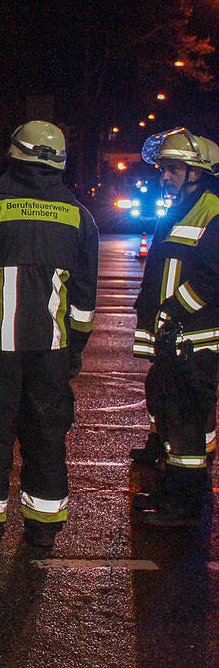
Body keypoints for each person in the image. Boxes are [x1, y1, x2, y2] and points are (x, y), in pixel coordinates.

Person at [0, 120, 98, 549]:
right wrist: (75, 346)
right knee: (46, 432)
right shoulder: (79, 216)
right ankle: (44, 527)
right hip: (52, 349)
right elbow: (84, 298)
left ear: (15, 156)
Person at [129, 128, 219, 528]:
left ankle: (182, 507)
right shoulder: (185, 205)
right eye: (163, 168)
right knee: (170, 416)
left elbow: (212, 278)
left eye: (173, 168)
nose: (164, 176)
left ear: (198, 172)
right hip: (175, 337)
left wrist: (173, 312)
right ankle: (172, 492)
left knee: (185, 425)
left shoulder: (212, 209)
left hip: (193, 339)